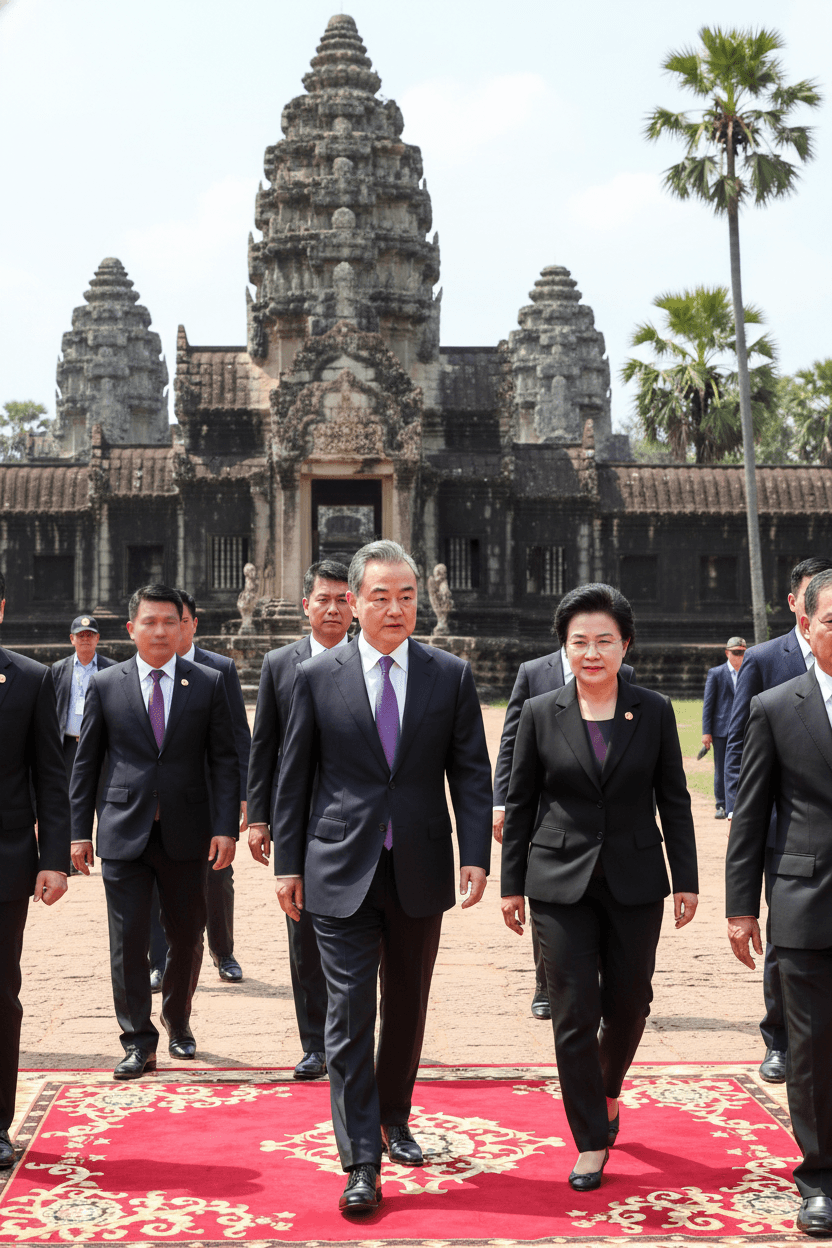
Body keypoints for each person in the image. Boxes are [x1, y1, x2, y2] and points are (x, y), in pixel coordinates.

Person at [272, 540, 492, 1214]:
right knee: (347, 1013)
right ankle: (360, 1159)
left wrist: (475, 853)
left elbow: (472, 775)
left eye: (406, 597)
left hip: (420, 866)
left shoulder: (449, 674)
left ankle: (395, 1114)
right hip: (338, 866)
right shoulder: (315, 676)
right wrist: (286, 862)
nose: (394, 609)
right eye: (380, 596)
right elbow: (294, 777)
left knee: (406, 1004)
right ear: (353, 603)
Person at [500, 583, 698, 1192]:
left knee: (631, 1001)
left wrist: (686, 879)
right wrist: (511, 885)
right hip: (559, 882)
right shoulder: (541, 713)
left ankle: (608, 1088)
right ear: (564, 646)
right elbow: (522, 801)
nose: (592, 652)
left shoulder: (655, 710)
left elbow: (675, 799)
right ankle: (589, 1138)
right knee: (572, 1009)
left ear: (625, 644)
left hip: (637, 879)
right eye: (579, 641)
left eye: (604, 641)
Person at [70, 584, 239, 1079]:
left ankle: (178, 1022)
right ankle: (137, 1040)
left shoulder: (206, 683)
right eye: (150, 622)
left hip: (190, 833)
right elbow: (86, 765)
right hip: (124, 831)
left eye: (170, 621)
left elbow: (224, 761)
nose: (160, 630)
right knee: (126, 940)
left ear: (184, 625)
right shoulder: (106, 684)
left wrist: (225, 826)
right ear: (131, 629)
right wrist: (80, 833)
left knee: (187, 936)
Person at [726, 568, 832, 1238]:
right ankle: (820, 1179)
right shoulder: (776, 706)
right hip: (804, 897)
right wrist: (742, 908)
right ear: (809, 625)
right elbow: (750, 812)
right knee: (812, 1050)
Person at [492, 626, 634, 1021]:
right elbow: (511, 742)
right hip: (545, 806)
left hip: (597, 807)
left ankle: (600, 983)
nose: (591, 649)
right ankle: (546, 983)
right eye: (579, 637)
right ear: (564, 637)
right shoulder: (533, 672)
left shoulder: (624, 674)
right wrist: (501, 803)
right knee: (551, 896)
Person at [247, 559, 352, 1081]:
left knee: (359, 933)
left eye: (342, 599)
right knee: (304, 933)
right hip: (300, 821)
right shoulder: (279, 664)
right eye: (323, 598)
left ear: (354, 606)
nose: (332, 608)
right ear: (305, 604)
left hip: (355, 821)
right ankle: (315, 1042)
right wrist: (259, 817)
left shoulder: (372, 660)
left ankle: (352, 1036)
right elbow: (264, 746)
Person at [0, 573, 71, 1169]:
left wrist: (53, 860)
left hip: (5, 861)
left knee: (1, 994)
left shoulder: (28, 678)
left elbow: (51, 775)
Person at [148, 589, 251, 990]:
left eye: (180, 621)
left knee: (216, 878)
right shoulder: (142, 667)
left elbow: (237, 738)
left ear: (191, 623)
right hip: (161, 799)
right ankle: (160, 961)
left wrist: (243, 793)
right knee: (157, 880)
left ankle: (223, 951)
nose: (172, 629)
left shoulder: (219, 668)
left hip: (209, 795)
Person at [701, 636, 746, 819]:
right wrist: (706, 732)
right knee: (721, 767)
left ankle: (738, 804)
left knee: (742, 766)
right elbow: (708, 704)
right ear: (727, 653)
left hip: (744, 728)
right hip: (722, 729)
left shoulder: (749, 672)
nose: (739, 657)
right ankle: (721, 804)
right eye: (735, 653)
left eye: (742, 653)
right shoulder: (716, 673)